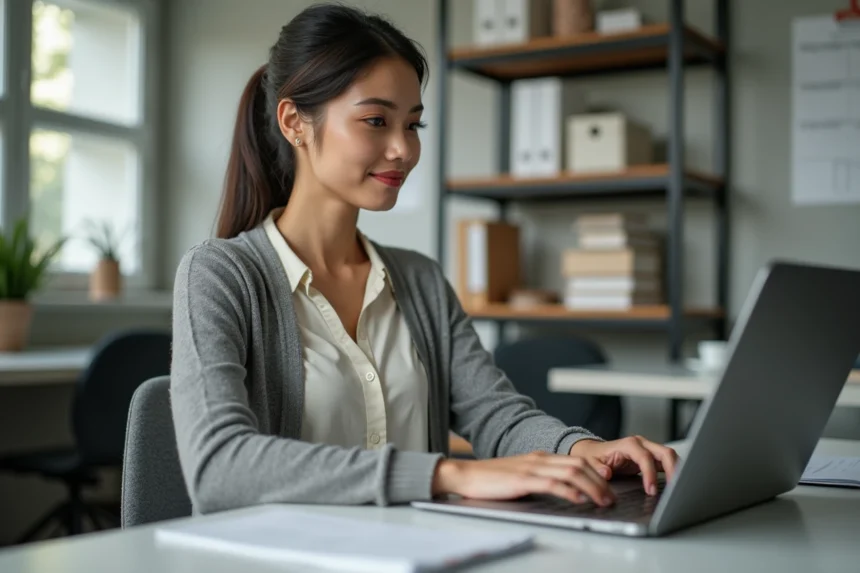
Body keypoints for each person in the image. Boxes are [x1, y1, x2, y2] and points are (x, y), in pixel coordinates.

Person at [170, 3, 679, 515]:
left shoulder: (419, 280)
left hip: (418, 553)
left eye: (412, 125)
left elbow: (496, 416)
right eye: (375, 120)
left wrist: (583, 450)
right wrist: (445, 473)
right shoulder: (218, 275)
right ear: (294, 122)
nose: (403, 150)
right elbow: (219, 465)